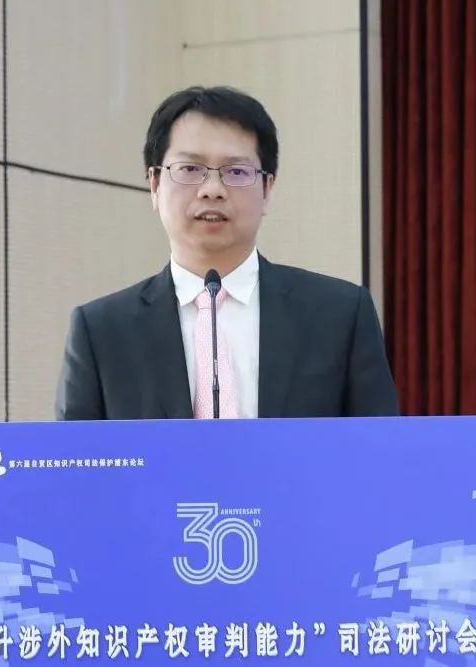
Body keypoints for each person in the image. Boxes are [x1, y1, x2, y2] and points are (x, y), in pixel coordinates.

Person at [55, 86, 398, 420]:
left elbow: (378, 448)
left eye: (236, 171)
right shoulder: (101, 331)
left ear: (267, 189)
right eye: (190, 169)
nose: (212, 190)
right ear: (155, 184)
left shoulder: (339, 316)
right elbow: (73, 455)